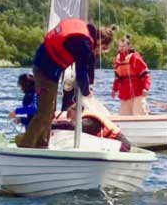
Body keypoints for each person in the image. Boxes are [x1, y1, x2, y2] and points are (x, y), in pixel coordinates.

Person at [16, 18, 105, 149]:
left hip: (48, 68)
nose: (100, 53)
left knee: (50, 111)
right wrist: (86, 93)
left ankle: (41, 144)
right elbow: (81, 74)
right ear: (100, 43)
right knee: (44, 111)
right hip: (45, 70)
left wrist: (89, 84)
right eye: (103, 50)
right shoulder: (84, 43)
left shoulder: (86, 35)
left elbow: (88, 66)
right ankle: (26, 145)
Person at [113, 36, 152, 116]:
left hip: (137, 92)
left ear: (128, 46)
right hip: (124, 94)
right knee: (124, 116)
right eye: (120, 46)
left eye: (123, 46)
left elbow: (146, 74)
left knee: (139, 114)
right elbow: (117, 78)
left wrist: (146, 88)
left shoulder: (134, 57)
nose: (121, 48)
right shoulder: (118, 60)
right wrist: (114, 89)